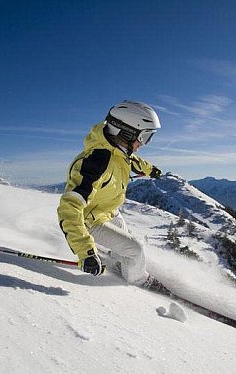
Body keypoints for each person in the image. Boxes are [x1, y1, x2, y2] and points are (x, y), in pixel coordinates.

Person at [57, 100, 167, 291]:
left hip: (108, 212)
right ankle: (139, 281)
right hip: (89, 220)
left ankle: (120, 264)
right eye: (145, 137)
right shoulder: (95, 163)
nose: (144, 143)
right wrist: (85, 252)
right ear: (127, 132)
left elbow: (131, 161)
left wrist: (151, 170)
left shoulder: (117, 150)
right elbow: (69, 208)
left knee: (126, 244)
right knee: (135, 250)